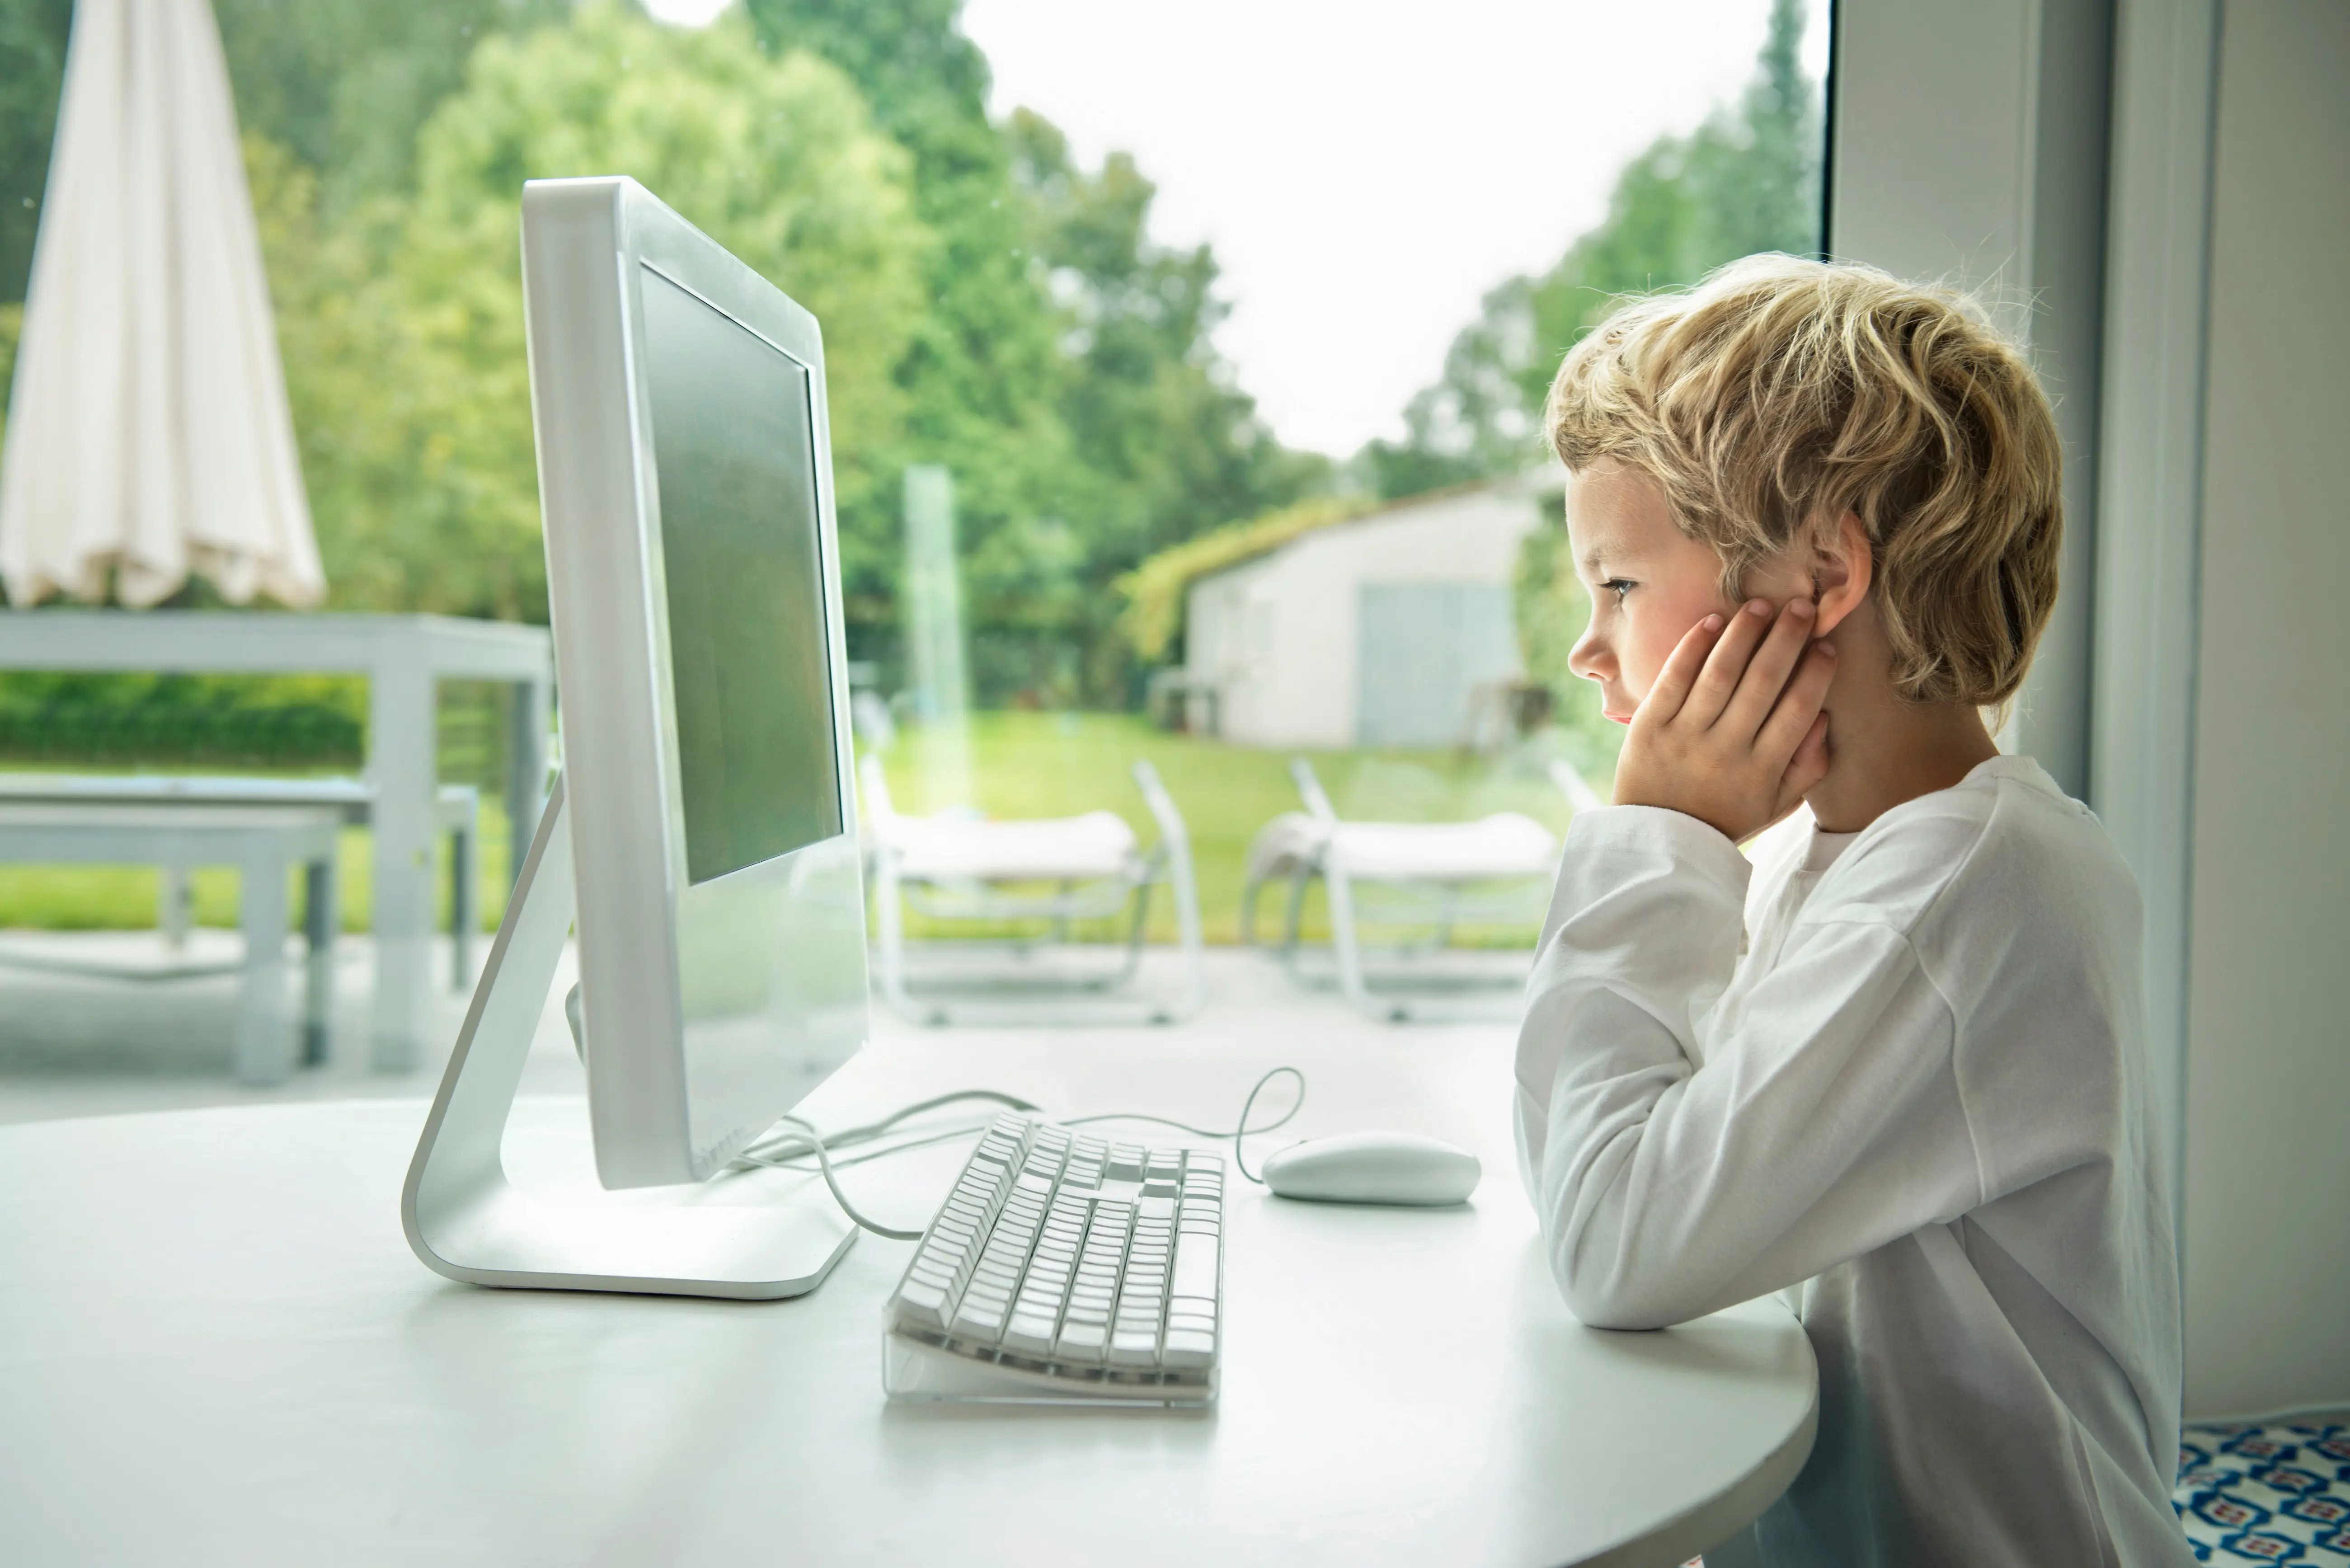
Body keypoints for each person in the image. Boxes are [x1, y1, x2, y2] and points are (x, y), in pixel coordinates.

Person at [1515, 256, 2190, 1566]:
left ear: (1823, 574)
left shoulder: (1961, 891)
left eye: (1616, 583)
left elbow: (1614, 1242)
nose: (1589, 648)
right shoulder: (1874, 855)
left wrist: (1661, 838)